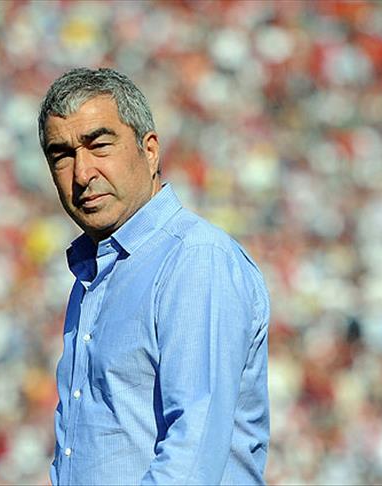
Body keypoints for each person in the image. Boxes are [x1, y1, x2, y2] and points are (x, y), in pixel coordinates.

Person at [38, 67, 270, 485]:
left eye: (99, 145)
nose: (82, 173)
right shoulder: (96, 272)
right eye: (62, 155)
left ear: (149, 151)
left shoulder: (193, 259)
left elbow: (192, 457)